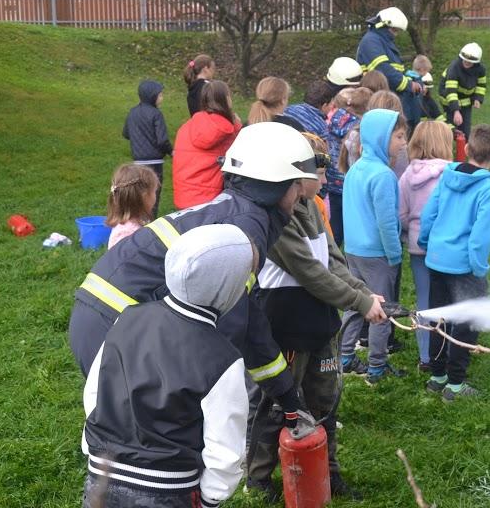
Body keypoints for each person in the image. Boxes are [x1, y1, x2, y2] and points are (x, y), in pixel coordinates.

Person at [69, 122, 318, 423]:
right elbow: (224, 333)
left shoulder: (240, 213)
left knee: (144, 426)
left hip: (106, 313)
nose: (300, 196)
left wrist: (284, 391)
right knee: (147, 433)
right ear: (274, 187)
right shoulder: (244, 229)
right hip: (115, 322)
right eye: (295, 185)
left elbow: (247, 318)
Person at [247, 135, 386, 500]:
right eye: (317, 172)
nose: (324, 179)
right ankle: (258, 478)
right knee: (277, 403)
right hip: (287, 328)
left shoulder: (313, 206)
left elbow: (333, 261)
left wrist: (363, 292)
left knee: (326, 400)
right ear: (294, 176)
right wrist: (359, 302)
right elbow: (310, 272)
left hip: (322, 324)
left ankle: (328, 473)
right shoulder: (276, 216)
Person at [81, 224, 254, 508]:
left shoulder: (127, 318)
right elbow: (225, 449)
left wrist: (94, 448)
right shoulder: (223, 359)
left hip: (103, 473)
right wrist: (212, 497)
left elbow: (95, 393)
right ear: (230, 286)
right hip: (166, 489)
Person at [419, 124, 490, 401]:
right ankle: (455, 385)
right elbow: (480, 237)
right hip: (464, 267)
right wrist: (479, 268)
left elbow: (429, 213)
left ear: (466, 149)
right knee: (466, 323)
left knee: (438, 319)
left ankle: (436, 376)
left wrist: (425, 241)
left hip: (436, 259)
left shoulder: (447, 176)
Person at [339, 109, 408, 385]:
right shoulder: (383, 175)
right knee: (382, 310)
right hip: (378, 255)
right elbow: (387, 222)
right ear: (381, 137)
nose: (404, 143)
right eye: (399, 136)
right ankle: (376, 367)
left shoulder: (355, 168)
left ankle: (344, 357)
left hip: (353, 251)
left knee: (356, 304)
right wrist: (394, 254)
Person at [398, 121, 453, 372]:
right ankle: (446, 350)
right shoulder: (452, 174)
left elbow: (401, 213)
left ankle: (425, 358)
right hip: (445, 248)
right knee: (447, 299)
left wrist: (412, 232)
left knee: (424, 299)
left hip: (417, 247)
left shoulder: (407, 175)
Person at [172, 80, 242, 209]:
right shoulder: (227, 130)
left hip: (183, 196)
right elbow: (239, 154)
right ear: (226, 99)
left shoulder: (187, 126)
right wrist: (237, 125)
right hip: (208, 201)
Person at [356, 7, 423, 130]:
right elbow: (383, 70)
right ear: (384, 25)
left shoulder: (381, 41)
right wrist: (409, 85)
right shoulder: (371, 41)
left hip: (387, 96)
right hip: (378, 98)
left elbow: (394, 70)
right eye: (394, 30)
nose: (395, 34)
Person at [326, 87, 372, 247]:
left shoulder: (335, 118)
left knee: (335, 222)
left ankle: (331, 251)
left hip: (332, 178)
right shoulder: (360, 129)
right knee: (351, 222)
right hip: (349, 182)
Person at [122, 80, 172, 218]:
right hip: (155, 163)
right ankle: (150, 225)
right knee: (153, 195)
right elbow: (162, 140)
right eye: (160, 95)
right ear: (151, 96)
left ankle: (137, 222)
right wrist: (171, 151)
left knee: (140, 194)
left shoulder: (132, 112)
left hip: (138, 162)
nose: (162, 98)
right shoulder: (156, 114)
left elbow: (126, 133)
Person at [438, 42, 487, 140]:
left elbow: (481, 85)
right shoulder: (454, 68)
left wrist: (477, 98)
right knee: (451, 126)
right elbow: (451, 91)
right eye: (465, 60)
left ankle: (464, 149)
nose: (466, 63)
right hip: (449, 99)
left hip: (466, 101)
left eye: (469, 61)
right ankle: (447, 148)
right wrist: (456, 110)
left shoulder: (480, 69)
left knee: (465, 128)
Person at [105, 164, 160, 249]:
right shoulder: (126, 233)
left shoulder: (137, 222)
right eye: (154, 191)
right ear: (145, 197)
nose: (155, 196)